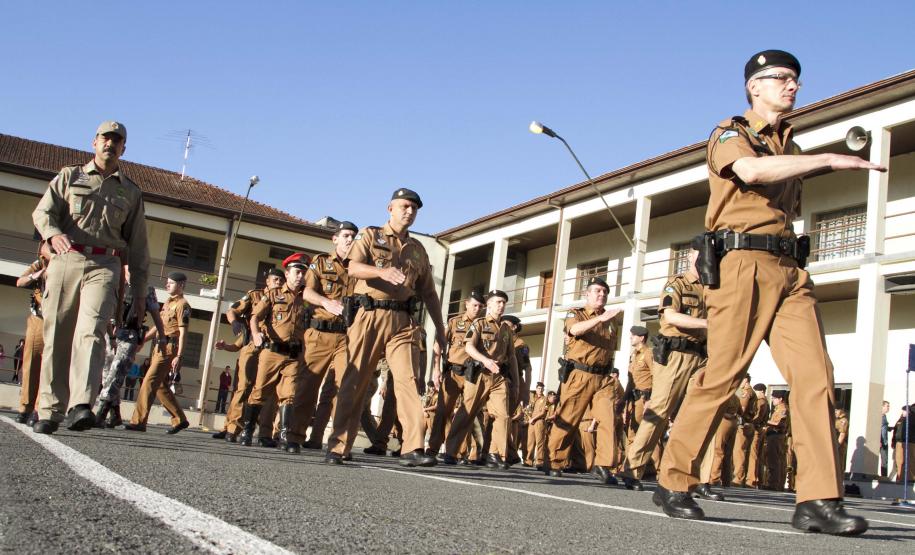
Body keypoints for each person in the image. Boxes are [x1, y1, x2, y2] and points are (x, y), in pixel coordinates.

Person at [653, 50, 881, 535]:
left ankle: (818, 499)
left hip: (789, 269)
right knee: (723, 374)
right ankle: (674, 479)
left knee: (817, 377)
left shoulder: (788, 145)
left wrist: (809, 158)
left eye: (796, 79)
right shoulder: (731, 133)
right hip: (743, 265)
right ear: (754, 86)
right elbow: (752, 173)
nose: (792, 85)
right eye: (780, 78)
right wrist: (828, 159)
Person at [31, 120, 150, 434]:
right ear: (94, 142)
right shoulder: (70, 176)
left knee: (92, 330)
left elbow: (138, 247)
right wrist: (53, 234)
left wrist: (138, 295)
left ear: (124, 148)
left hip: (104, 265)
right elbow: (43, 213)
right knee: (57, 334)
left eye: (117, 140)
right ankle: (50, 410)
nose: (110, 144)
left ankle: (81, 404)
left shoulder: (131, 192)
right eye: (105, 138)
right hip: (66, 259)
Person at [325, 188, 448, 467]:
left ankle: (413, 446)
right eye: (405, 206)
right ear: (390, 208)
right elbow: (353, 267)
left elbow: (429, 294)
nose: (410, 211)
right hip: (370, 316)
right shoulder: (371, 236)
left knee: (408, 381)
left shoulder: (417, 251)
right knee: (354, 381)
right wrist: (381, 271)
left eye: (415, 208)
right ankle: (338, 446)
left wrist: (441, 332)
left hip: (403, 322)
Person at [621, 241, 709, 493]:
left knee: (700, 415)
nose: (705, 259)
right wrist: (707, 323)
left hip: (702, 356)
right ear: (691, 256)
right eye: (700, 254)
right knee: (659, 411)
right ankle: (633, 469)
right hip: (677, 355)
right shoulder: (677, 283)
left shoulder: (713, 287)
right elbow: (670, 316)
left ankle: (693, 477)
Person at [545, 276, 622, 484]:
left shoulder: (612, 320)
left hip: (603, 377)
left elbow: (611, 349)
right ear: (587, 294)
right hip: (580, 374)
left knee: (608, 418)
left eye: (605, 292)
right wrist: (599, 319)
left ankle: (604, 464)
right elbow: (574, 330)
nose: (602, 295)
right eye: (597, 291)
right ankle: (555, 460)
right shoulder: (576, 314)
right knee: (569, 418)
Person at [292, 221, 357, 450]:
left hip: (346, 338)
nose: (350, 240)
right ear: (335, 238)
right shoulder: (320, 262)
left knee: (345, 389)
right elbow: (307, 291)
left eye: (353, 236)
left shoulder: (359, 267)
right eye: (346, 235)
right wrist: (326, 302)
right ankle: (294, 436)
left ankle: (339, 445)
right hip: (319, 334)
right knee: (307, 387)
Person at [441, 290, 518, 470]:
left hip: (499, 377)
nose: (501, 305)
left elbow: (512, 356)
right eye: (498, 302)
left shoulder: (506, 329)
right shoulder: (480, 323)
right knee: (467, 413)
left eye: (504, 303)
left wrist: (516, 382)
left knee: (503, 415)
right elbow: (468, 346)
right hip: (479, 374)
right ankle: (451, 451)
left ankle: (495, 454)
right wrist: (485, 360)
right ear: (489, 305)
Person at [241, 253, 309, 450]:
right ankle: (247, 430)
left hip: (293, 355)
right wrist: (255, 334)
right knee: (260, 391)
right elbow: (254, 316)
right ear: (287, 274)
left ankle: (285, 436)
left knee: (289, 394)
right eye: (297, 272)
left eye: (303, 273)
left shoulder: (306, 298)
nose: (300, 276)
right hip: (272, 352)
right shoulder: (273, 294)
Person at [211, 268, 285, 442]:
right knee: (243, 387)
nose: (279, 283)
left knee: (269, 391)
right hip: (253, 345)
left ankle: (265, 434)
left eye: (282, 280)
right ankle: (232, 429)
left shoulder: (286, 299)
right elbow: (232, 310)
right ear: (267, 281)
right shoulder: (254, 296)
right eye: (275, 280)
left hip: (273, 349)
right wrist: (235, 323)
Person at [124, 272, 191, 434]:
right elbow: (158, 326)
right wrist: (142, 341)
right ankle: (179, 419)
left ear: (181, 285)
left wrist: (179, 356)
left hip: (170, 348)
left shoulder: (183, 305)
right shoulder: (168, 302)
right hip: (159, 347)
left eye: (171, 283)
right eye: (167, 282)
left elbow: (183, 332)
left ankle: (138, 421)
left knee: (148, 382)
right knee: (160, 385)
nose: (167, 285)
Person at [94, 281, 164, 428]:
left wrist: (162, 337)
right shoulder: (115, 282)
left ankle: (100, 413)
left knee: (116, 373)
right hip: (110, 333)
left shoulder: (147, 288)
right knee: (107, 375)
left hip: (129, 334)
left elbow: (157, 315)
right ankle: (115, 415)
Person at [427, 291, 484, 457]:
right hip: (453, 372)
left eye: (480, 306)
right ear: (466, 304)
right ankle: (433, 449)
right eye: (474, 305)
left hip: (473, 374)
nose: (477, 309)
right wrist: (435, 370)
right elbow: (438, 346)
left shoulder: (483, 325)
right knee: (442, 411)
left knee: (466, 413)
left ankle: (453, 452)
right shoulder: (454, 322)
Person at [14, 242, 51, 423]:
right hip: (38, 320)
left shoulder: (68, 264)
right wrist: (38, 274)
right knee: (31, 364)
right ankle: (25, 408)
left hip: (57, 322)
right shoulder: (39, 263)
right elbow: (20, 281)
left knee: (49, 368)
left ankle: (38, 410)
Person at [764, 391, 789, 491]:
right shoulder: (779, 409)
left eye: (774, 398)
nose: (773, 400)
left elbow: (778, 423)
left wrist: (766, 421)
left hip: (776, 436)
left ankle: (773, 484)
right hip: (775, 436)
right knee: (776, 461)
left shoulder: (783, 409)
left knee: (774, 460)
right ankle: (776, 484)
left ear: (780, 399)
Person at [525, 383, 548, 468]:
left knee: (540, 442)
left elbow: (543, 412)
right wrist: (530, 418)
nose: (540, 390)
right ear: (536, 389)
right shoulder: (533, 398)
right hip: (531, 422)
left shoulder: (545, 399)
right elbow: (527, 409)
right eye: (538, 388)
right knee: (530, 442)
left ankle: (539, 461)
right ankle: (529, 460)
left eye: (542, 388)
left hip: (539, 421)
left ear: (543, 390)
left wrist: (533, 419)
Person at [891, 405, 915, 483]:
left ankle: (909, 479)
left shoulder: (911, 418)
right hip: (901, 442)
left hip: (908, 441)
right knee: (900, 462)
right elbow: (896, 431)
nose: (903, 412)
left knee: (908, 461)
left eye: (904, 410)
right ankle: (901, 478)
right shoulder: (902, 419)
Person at [834, 408, 849, 476]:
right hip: (834, 444)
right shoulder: (836, 419)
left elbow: (842, 434)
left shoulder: (843, 420)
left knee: (838, 465)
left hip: (839, 446)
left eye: (837, 410)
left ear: (841, 410)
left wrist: (837, 446)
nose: (835, 412)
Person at [880, 400, 890, 477]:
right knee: (884, 460)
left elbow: (883, 427)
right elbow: (877, 429)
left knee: (885, 460)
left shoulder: (884, 416)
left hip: (885, 441)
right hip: (881, 442)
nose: (888, 408)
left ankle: (884, 476)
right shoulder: (879, 416)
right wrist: (879, 440)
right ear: (882, 406)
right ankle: (883, 477)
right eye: (887, 406)